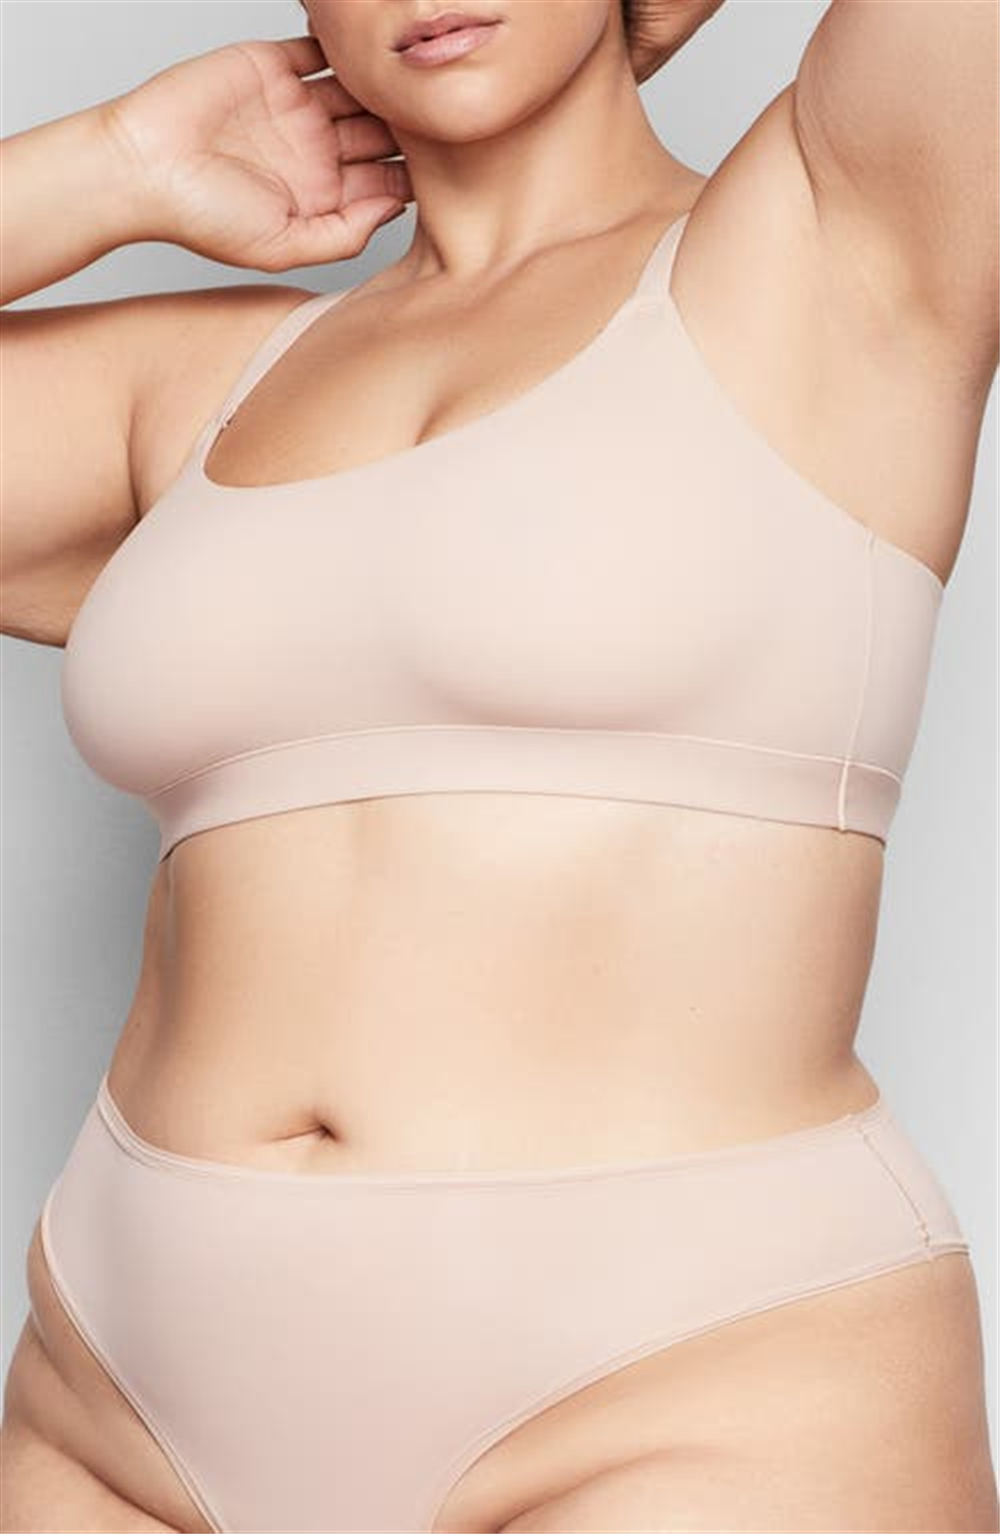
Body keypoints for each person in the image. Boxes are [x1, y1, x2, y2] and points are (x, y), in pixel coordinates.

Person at [1, 1, 997, 1530]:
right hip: (120, 1407)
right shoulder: (197, 385)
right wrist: (109, 164)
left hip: (690, 1381)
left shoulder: (837, 237)